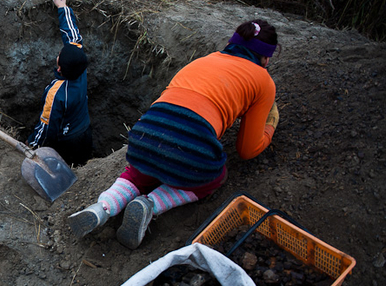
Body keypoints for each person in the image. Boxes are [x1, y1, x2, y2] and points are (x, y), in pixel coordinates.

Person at [68, 19, 281, 249]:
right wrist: (269, 127)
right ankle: (151, 204)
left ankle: (103, 208)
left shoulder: (205, 60)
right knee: (215, 177)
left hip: (146, 134)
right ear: (266, 58)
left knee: (138, 173)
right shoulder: (263, 81)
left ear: (232, 42)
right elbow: (246, 150)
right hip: (191, 143)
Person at [26, 0, 93, 166]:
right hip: (84, 130)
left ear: (59, 66)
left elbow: (48, 126)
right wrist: (62, 7)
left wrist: (33, 144)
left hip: (67, 141)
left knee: (69, 166)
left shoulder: (57, 94)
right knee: (84, 161)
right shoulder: (80, 66)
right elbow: (72, 35)